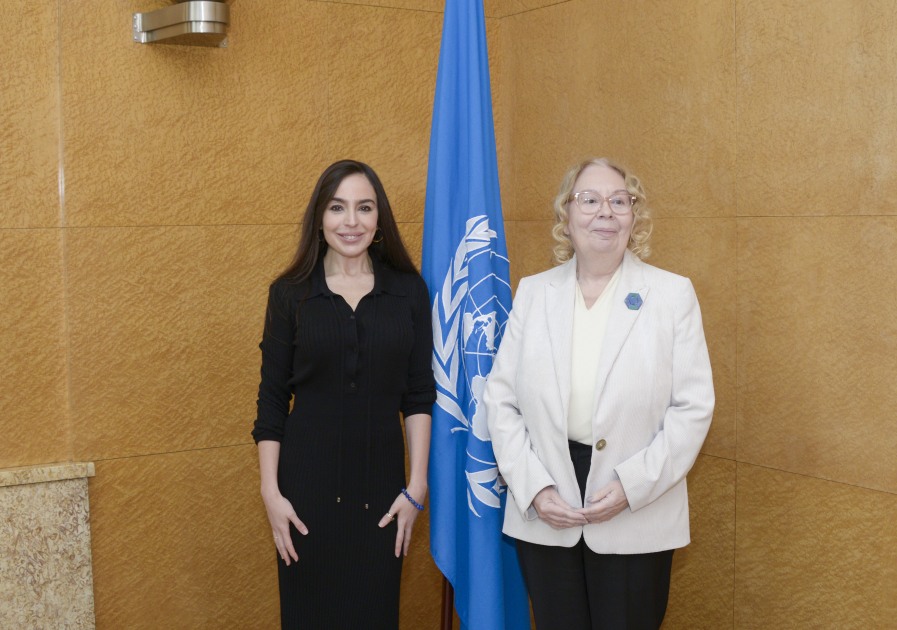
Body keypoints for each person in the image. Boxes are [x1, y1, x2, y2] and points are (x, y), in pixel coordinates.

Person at [484, 157, 714, 630]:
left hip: (635, 505)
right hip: (547, 503)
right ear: (567, 216)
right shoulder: (532, 293)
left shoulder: (671, 295)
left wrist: (633, 486)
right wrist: (534, 486)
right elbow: (500, 401)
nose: (604, 211)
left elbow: (693, 408)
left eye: (619, 200)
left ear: (635, 217)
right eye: (589, 200)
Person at [251, 160, 436, 629]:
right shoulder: (290, 295)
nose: (351, 221)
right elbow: (271, 403)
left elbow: (417, 395)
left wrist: (418, 485)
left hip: (383, 496)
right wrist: (271, 493)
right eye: (338, 208)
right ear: (319, 217)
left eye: (364, 208)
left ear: (379, 220)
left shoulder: (409, 292)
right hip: (304, 499)